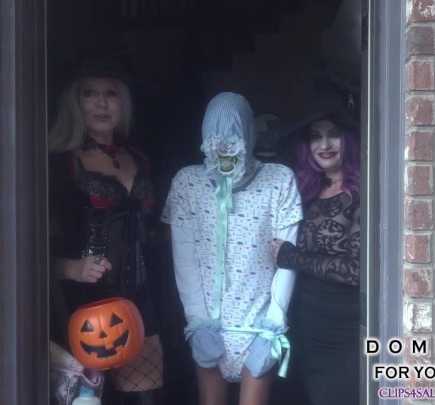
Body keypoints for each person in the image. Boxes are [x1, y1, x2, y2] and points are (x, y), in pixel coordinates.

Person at [161, 92, 303, 405]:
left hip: (258, 325)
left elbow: (287, 259)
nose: (225, 147)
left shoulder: (279, 180)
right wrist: (198, 322)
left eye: (233, 137)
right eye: (217, 138)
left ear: (249, 134)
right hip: (209, 327)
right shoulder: (187, 183)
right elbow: (184, 260)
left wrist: (273, 325)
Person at [48, 59, 164, 405]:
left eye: (111, 94)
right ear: (74, 103)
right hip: (81, 301)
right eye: (89, 94)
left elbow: (150, 227)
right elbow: (28, 242)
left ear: (123, 102)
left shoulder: (139, 157)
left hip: (140, 295)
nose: (101, 103)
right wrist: (71, 267)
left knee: (145, 399)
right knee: (86, 398)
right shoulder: (59, 162)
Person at [272, 108, 361, 405]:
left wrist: (293, 257)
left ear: (348, 140)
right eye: (315, 137)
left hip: (344, 328)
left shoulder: (363, 191)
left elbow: (356, 270)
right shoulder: (304, 190)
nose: (324, 145)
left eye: (334, 135)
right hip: (304, 323)